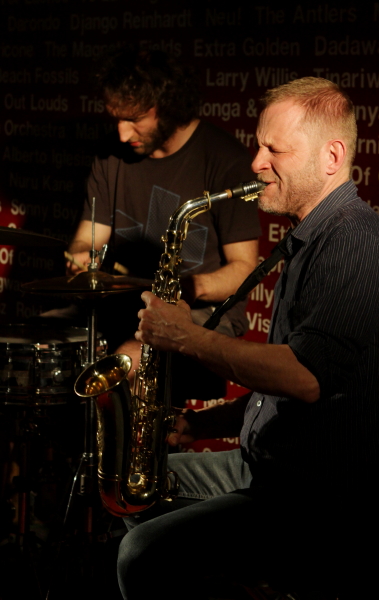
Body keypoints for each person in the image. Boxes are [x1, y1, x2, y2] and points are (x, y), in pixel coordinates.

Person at [117, 78, 379, 599]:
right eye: (259, 146)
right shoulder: (312, 237)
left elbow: (304, 378)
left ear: (331, 156)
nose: (256, 162)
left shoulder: (355, 244)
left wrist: (184, 336)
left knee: (140, 553)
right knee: (133, 489)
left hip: (322, 502)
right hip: (275, 472)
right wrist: (202, 424)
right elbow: (294, 393)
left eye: (274, 150)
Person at [67, 48, 260, 398]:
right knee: (44, 340)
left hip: (199, 310)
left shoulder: (224, 158)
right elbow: (87, 240)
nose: (122, 134)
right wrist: (82, 257)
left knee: (128, 360)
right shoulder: (112, 155)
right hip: (125, 304)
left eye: (135, 119)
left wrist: (185, 287)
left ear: (168, 105)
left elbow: (244, 270)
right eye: (117, 120)